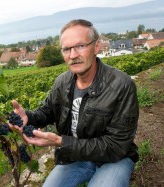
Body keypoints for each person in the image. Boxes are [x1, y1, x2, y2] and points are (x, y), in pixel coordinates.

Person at [10, 19, 139, 187]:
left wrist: (61, 143)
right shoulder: (62, 82)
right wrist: (28, 116)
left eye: (80, 46)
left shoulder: (122, 85)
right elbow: (48, 111)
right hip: (76, 156)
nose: (73, 55)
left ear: (96, 47)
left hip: (115, 158)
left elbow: (116, 146)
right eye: (66, 49)